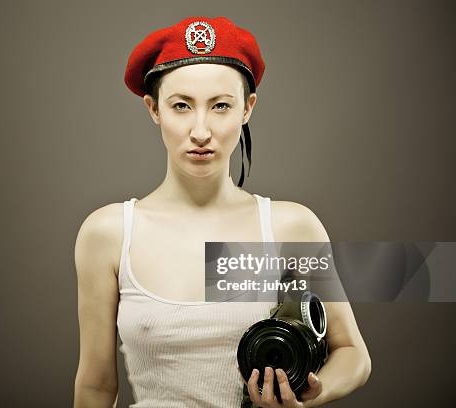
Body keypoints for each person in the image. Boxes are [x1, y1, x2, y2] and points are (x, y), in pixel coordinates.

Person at [73, 16, 371, 408]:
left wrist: (310, 396)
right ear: (153, 109)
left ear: (246, 109)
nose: (200, 130)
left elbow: (352, 354)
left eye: (220, 106)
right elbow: (96, 385)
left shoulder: (288, 227)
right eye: (181, 105)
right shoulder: (109, 233)